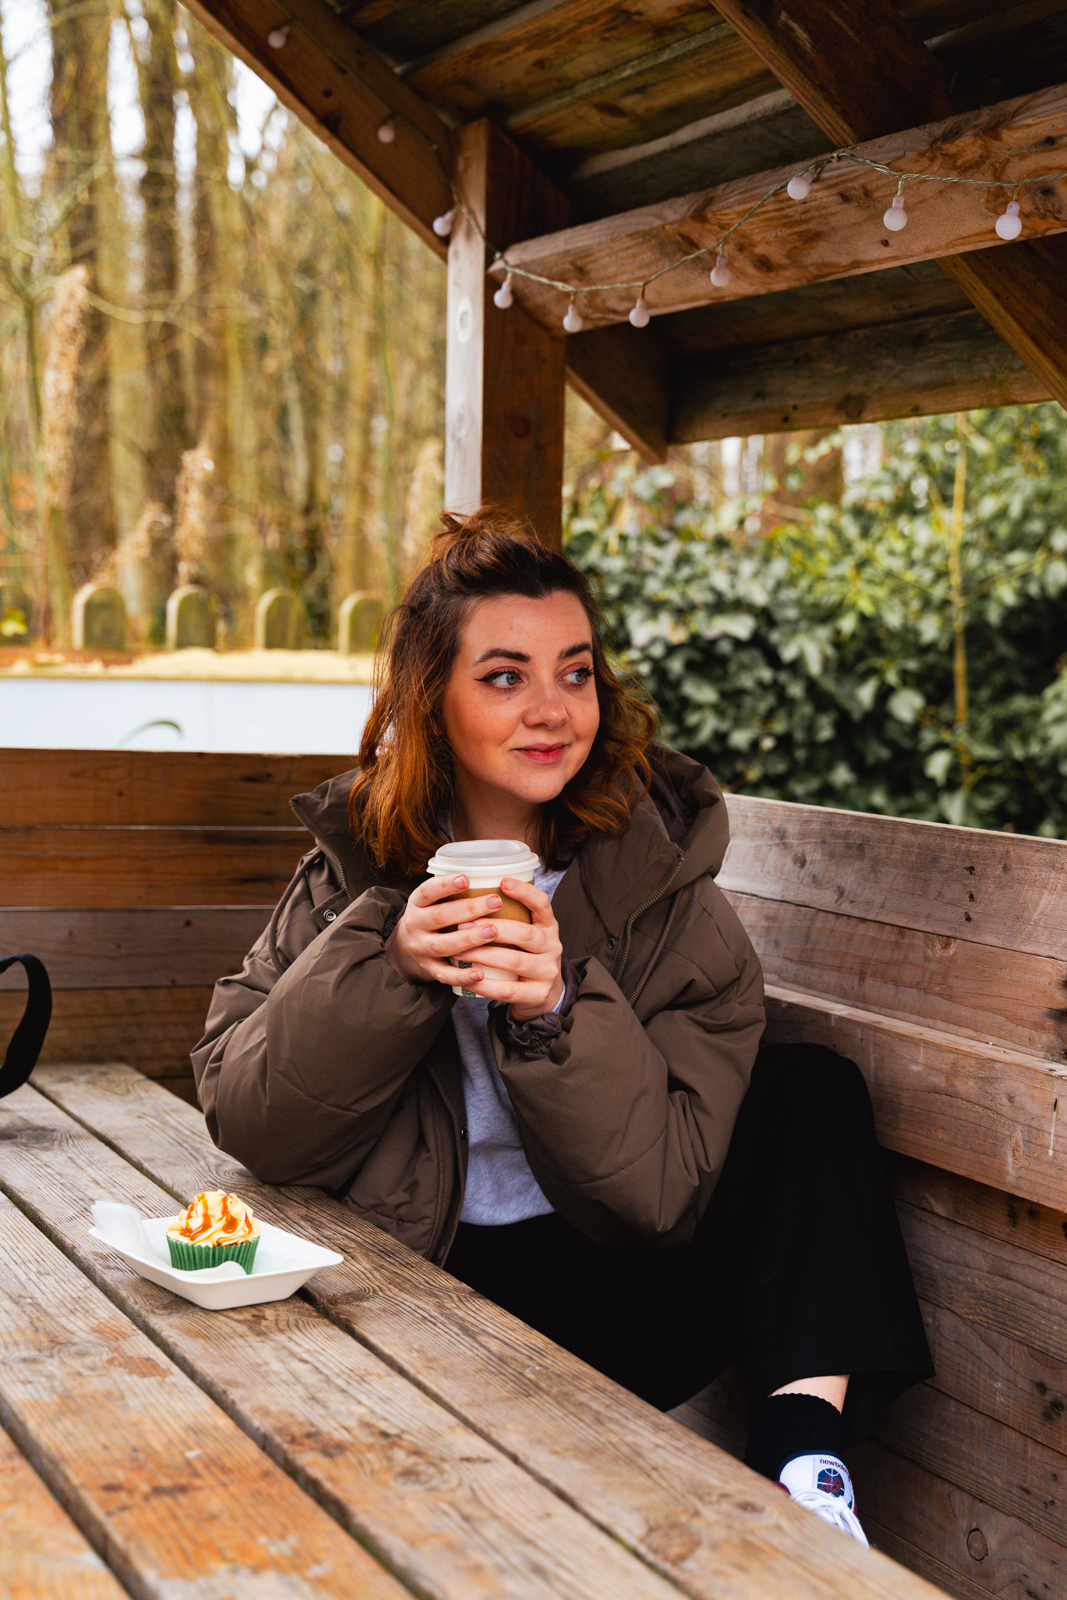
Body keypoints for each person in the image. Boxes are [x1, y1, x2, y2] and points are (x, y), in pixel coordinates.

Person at [193, 508, 932, 1546]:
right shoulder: (352, 875)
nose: (550, 710)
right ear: (432, 702)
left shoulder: (663, 892)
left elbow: (658, 1195)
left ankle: (805, 1476)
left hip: (615, 1288)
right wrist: (391, 965)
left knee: (810, 1090)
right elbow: (250, 1116)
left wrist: (555, 1009)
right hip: (415, 1286)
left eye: (574, 672)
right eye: (503, 676)